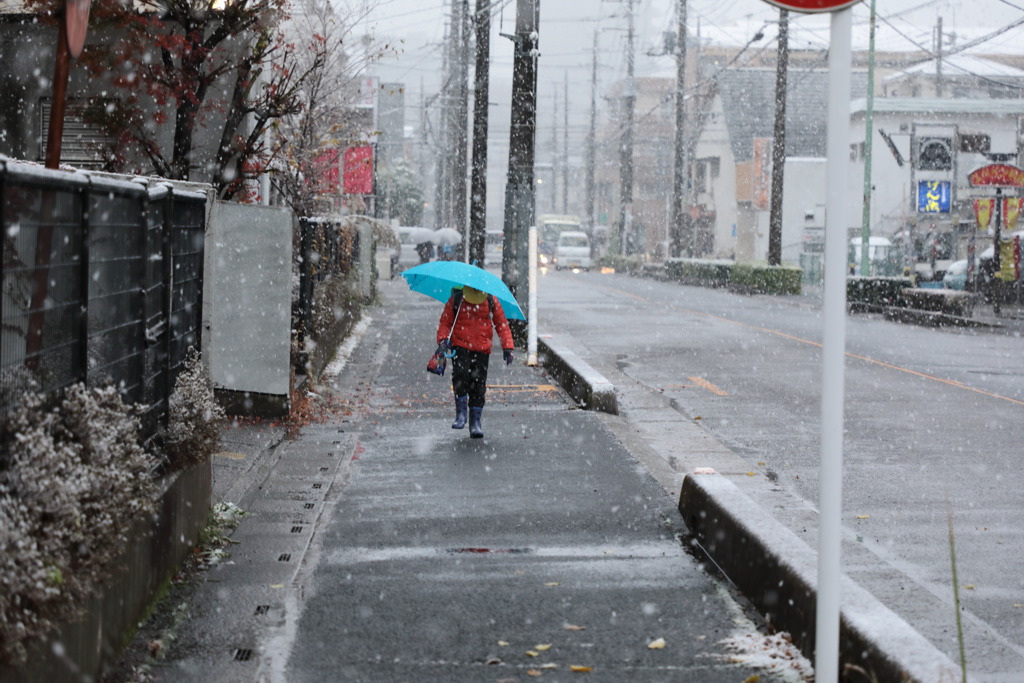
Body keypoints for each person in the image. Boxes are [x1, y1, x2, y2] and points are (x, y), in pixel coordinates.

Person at [436, 285, 514, 438]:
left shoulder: (491, 299)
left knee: (478, 384)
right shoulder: (457, 300)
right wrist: (443, 340)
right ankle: (461, 415)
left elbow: (501, 323)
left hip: (482, 349)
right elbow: (445, 322)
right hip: (460, 346)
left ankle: (475, 423)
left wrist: (507, 346)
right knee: (460, 376)